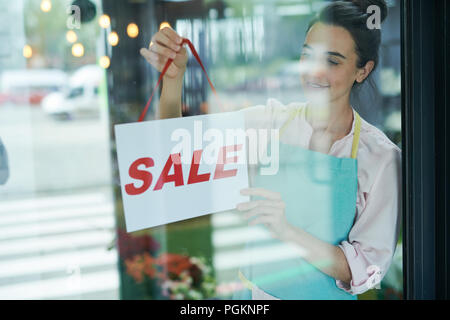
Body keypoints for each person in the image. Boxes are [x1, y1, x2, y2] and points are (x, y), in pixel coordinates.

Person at [140, 0, 401, 300]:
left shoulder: (380, 158)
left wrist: (285, 229)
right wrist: (173, 82)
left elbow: (366, 270)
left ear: (363, 70)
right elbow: (178, 158)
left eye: (332, 61)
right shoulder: (270, 122)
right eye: (308, 56)